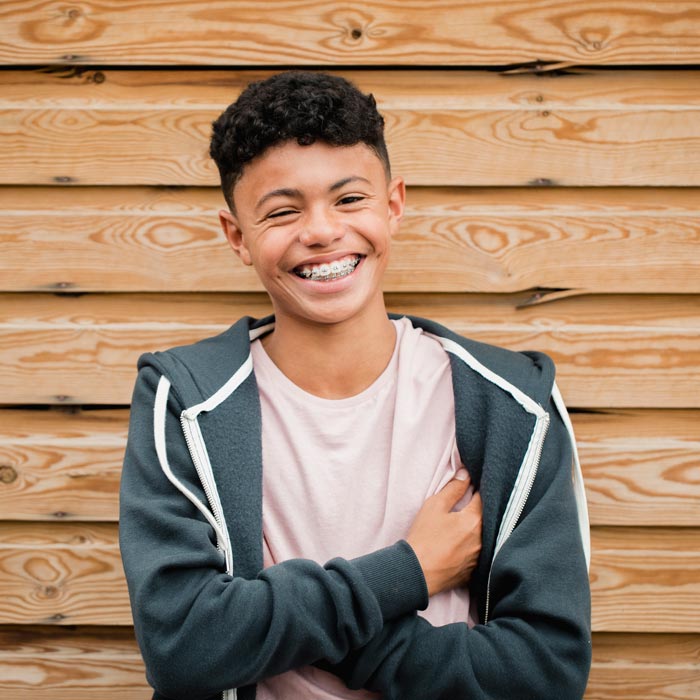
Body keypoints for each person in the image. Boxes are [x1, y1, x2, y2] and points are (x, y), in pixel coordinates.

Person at [119, 71, 591, 700]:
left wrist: (297, 627)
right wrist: (409, 572)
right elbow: (183, 647)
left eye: (348, 199)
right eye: (283, 211)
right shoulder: (186, 404)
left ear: (392, 205)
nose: (320, 231)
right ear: (238, 237)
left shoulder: (510, 404)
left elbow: (546, 672)